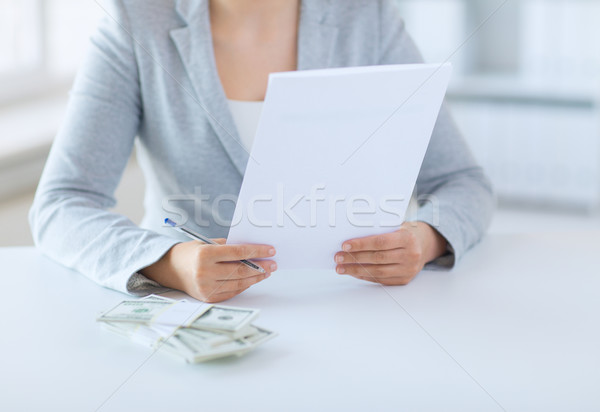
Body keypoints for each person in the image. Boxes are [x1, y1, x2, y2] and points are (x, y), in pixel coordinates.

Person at [29, 0, 494, 303]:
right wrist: (170, 262)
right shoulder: (136, 21)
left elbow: (463, 183)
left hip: (350, 307)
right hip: (191, 317)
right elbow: (63, 203)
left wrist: (425, 239)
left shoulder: (365, 18)